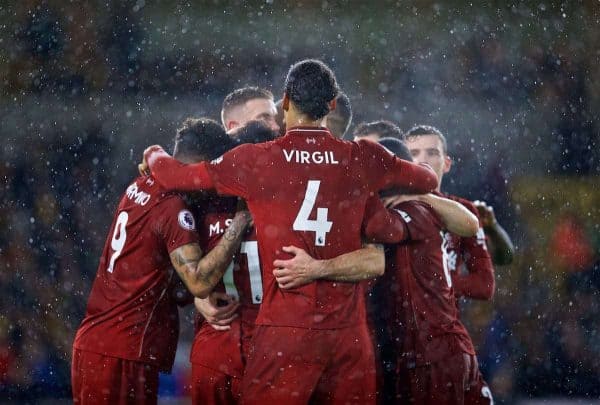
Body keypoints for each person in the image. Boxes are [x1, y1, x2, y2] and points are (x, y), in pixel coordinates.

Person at [139, 59, 438, 404]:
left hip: (286, 329)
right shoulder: (363, 158)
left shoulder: (258, 160)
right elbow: (426, 179)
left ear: (285, 102)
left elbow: (179, 177)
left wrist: (154, 153)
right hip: (348, 338)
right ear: (331, 106)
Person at [72, 118, 251, 405]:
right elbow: (199, 281)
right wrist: (239, 222)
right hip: (125, 350)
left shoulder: (141, 184)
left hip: (96, 342)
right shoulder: (174, 208)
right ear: (201, 166)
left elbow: (155, 270)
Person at [404, 125, 501, 403]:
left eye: (432, 152)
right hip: (401, 343)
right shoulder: (392, 210)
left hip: (446, 343)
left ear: (446, 163)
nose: (423, 159)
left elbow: (485, 285)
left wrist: (437, 281)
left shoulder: (465, 212)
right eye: (414, 152)